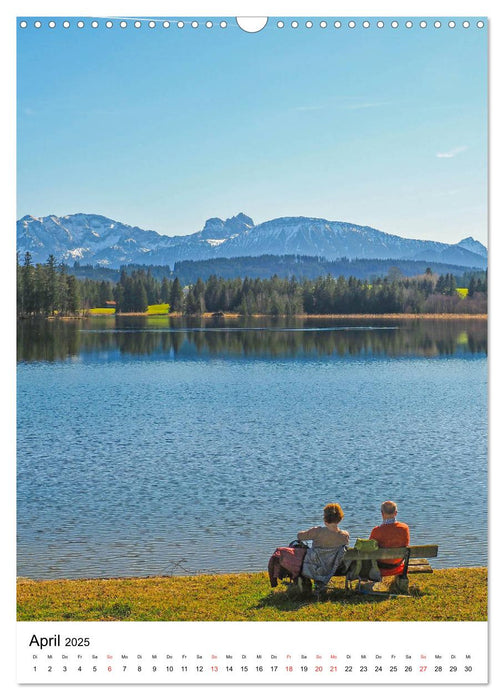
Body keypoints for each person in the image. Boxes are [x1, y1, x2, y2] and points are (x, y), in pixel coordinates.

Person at [297, 503, 350, 589]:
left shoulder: (317, 531)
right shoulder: (344, 536)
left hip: (315, 567)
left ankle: (304, 584)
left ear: (325, 518)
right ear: (340, 518)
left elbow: (299, 536)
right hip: (334, 568)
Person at [369, 500, 410, 576]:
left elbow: (370, 550)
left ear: (382, 513)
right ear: (396, 513)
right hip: (398, 565)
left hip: (381, 567)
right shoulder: (404, 528)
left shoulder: (376, 531)